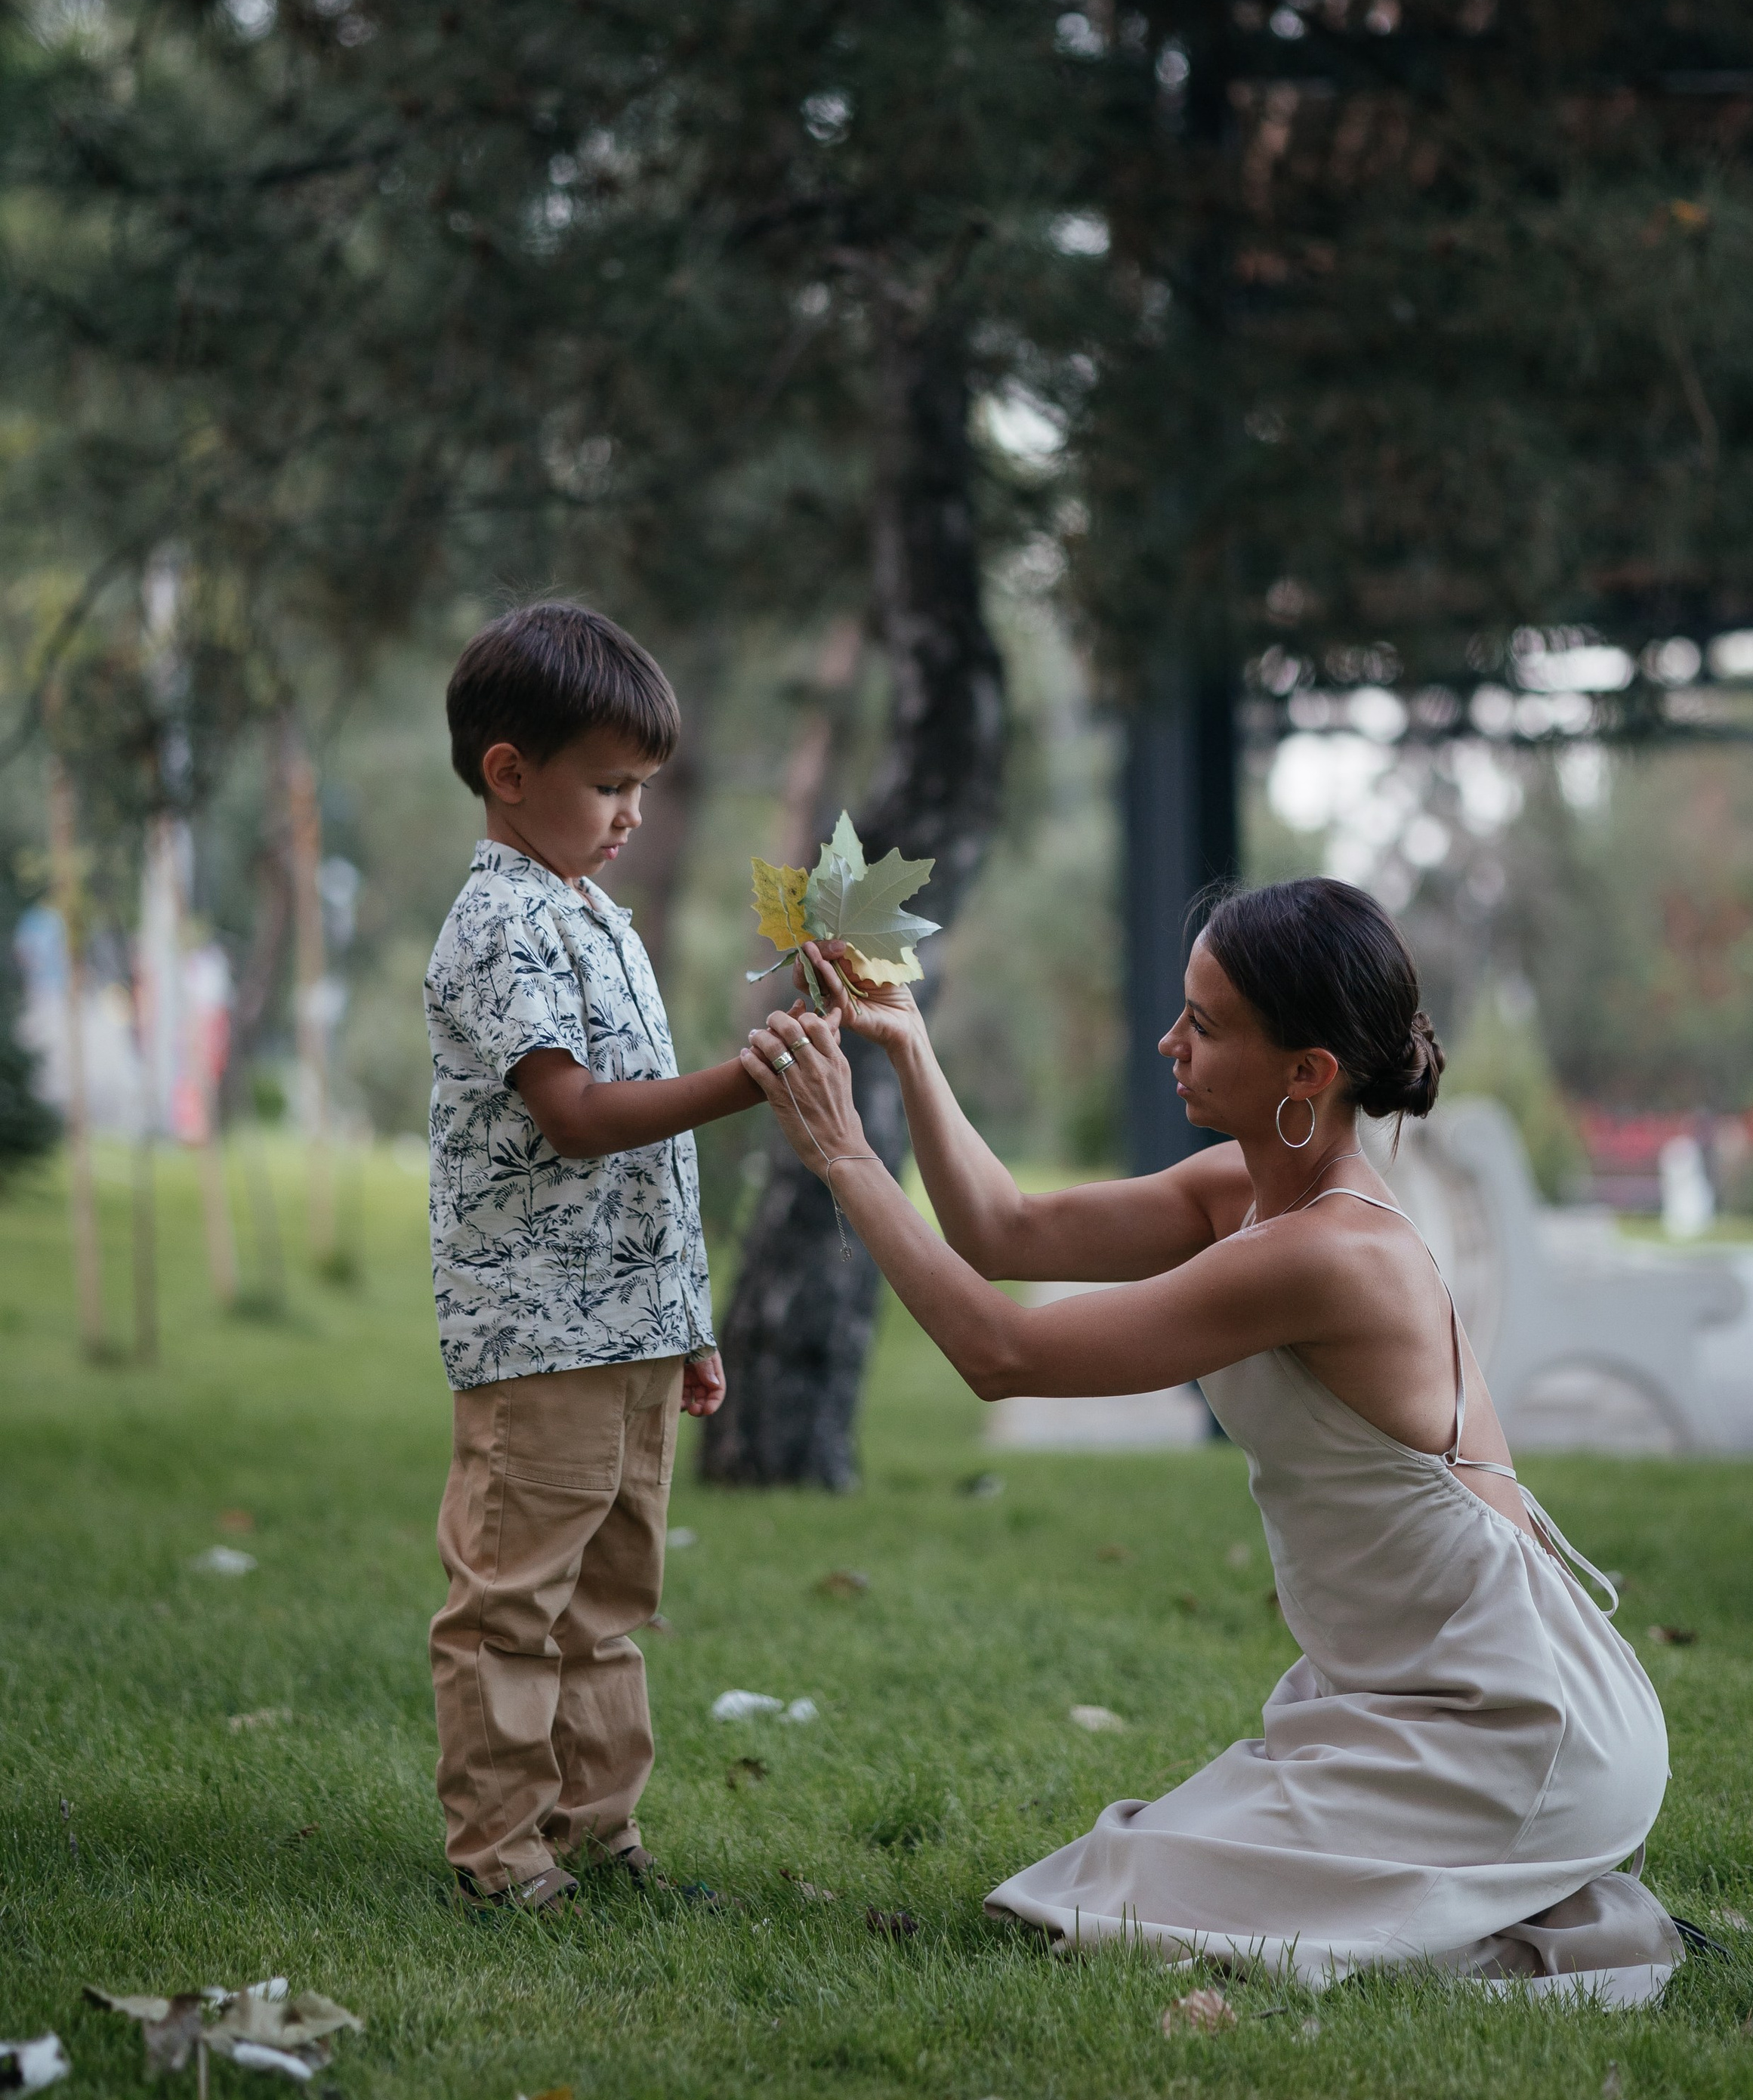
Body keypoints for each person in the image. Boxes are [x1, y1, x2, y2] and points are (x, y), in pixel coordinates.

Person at [739, 879, 1684, 2000]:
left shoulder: (1331, 1253)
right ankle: (1496, 1893)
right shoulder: (1253, 1188)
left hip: (1514, 1723)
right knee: (1116, 1882)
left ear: (1309, 1074)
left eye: (1207, 1023)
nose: (1168, 1041)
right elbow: (1007, 1232)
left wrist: (847, 1159)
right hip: (1399, 1701)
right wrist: (909, 1045)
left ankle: (1540, 1904)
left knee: (1115, 1897)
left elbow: (1005, 1354)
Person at [423, 601, 764, 1913]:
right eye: (608, 784)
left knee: (609, 1602)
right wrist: (745, 1082)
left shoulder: (592, 914)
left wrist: (685, 1316)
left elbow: (643, 1162)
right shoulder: (503, 923)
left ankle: (597, 1835)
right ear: (511, 772)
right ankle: (500, 1859)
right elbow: (574, 1120)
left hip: (625, 1326)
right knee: (515, 1599)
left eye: (642, 788)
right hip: (538, 1331)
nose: (630, 813)